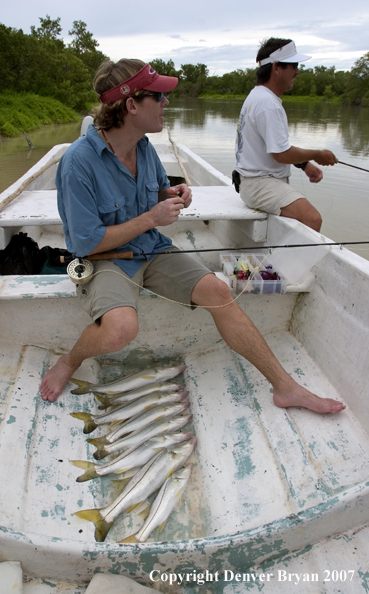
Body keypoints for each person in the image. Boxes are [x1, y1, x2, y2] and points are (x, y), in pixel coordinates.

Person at [40, 58, 344, 415]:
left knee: (218, 290)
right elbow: (84, 243)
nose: (167, 103)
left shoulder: (144, 147)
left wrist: (170, 196)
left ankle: (286, 387)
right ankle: (69, 360)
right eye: (159, 96)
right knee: (120, 329)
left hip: (151, 250)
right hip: (106, 260)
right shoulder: (77, 162)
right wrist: (151, 218)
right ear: (131, 105)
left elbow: (152, 197)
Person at [233, 38, 338, 232]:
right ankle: (289, 263)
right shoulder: (267, 104)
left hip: (253, 183)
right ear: (276, 68)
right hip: (260, 184)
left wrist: (304, 164)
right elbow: (281, 154)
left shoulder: (259, 96)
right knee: (312, 219)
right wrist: (317, 154)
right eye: (294, 66)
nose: (297, 72)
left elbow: (272, 146)